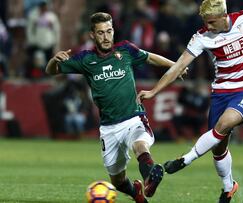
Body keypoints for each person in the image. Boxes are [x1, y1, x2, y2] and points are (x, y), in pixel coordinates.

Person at [137, 0, 243, 202]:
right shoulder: (202, 37)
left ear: (224, 16)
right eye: (206, 22)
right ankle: (229, 187)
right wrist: (153, 91)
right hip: (221, 92)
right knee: (218, 148)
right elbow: (177, 67)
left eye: (211, 22)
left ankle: (186, 159)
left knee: (224, 124)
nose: (208, 26)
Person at [46, 12, 183, 203]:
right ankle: (137, 193)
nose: (106, 36)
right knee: (117, 180)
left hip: (133, 118)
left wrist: (177, 66)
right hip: (108, 128)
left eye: (109, 31)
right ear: (92, 35)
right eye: (101, 33)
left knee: (140, 145)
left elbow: (151, 58)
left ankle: (150, 177)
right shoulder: (86, 59)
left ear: (113, 31)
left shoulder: (126, 50)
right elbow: (51, 71)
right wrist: (54, 60)